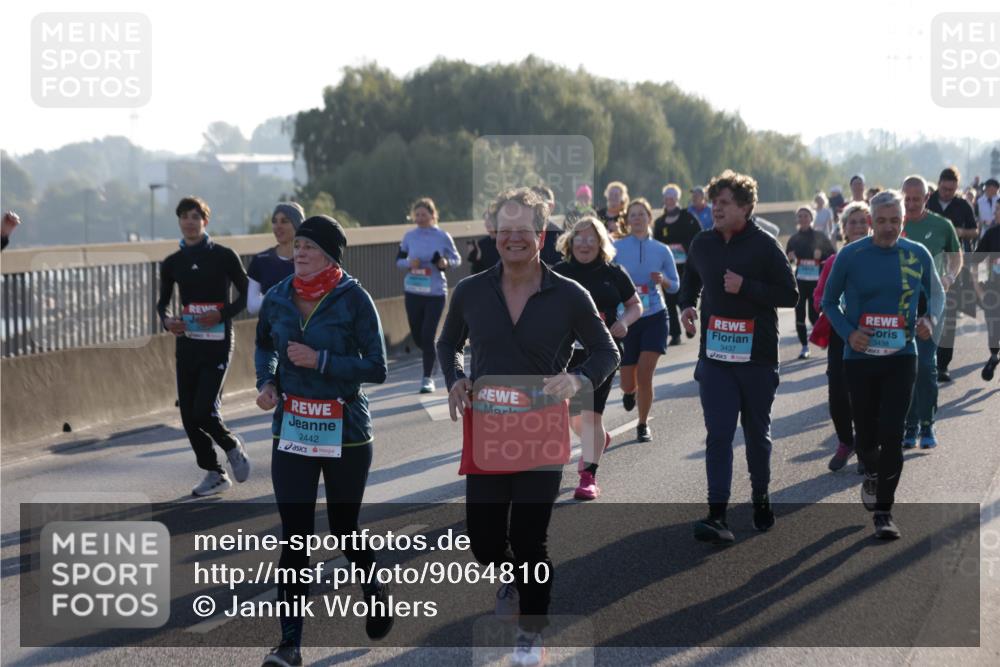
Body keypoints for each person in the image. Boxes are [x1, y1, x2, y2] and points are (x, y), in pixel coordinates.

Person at [437, 188, 619, 666]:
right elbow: (448, 343)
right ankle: (511, 575)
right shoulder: (471, 291)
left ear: (540, 235)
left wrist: (579, 378)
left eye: (524, 231)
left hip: (541, 432)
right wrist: (456, 378)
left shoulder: (569, 294)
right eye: (505, 230)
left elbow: (607, 352)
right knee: (485, 543)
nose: (514, 238)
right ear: (493, 235)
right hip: (488, 433)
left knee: (530, 540)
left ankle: (532, 634)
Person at [255, 215, 392, 665]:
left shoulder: (354, 299)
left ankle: (375, 591)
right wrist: (268, 382)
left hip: (346, 429)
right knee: (295, 537)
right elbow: (265, 346)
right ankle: (290, 644)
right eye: (297, 245)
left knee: (344, 528)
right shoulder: (277, 298)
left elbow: (377, 366)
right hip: (292, 427)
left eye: (310, 246)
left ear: (331, 254)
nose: (300, 253)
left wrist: (322, 359)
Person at [680, 170, 798, 544]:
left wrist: (746, 287)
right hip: (714, 359)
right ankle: (717, 513)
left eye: (725, 203)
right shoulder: (701, 244)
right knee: (718, 435)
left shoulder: (764, 246)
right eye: (714, 202)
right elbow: (689, 284)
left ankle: (761, 496)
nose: (716, 208)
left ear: (745, 208)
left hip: (758, 358)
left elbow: (790, 295)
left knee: (756, 435)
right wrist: (685, 307)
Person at [822, 189, 943, 540]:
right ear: (871, 221)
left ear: (903, 221)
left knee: (892, 433)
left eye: (896, 221)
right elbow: (829, 302)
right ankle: (872, 472)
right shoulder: (851, 255)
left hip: (902, 357)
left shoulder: (916, 254)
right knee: (867, 437)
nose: (889, 228)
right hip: (859, 358)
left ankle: (884, 512)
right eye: (882, 221)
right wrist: (848, 332)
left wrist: (929, 320)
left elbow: (936, 293)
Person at [156, 196, 250, 497]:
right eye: (184, 216)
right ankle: (215, 472)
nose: (189, 221)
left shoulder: (224, 256)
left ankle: (231, 445)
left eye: (195, 216)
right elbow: (162, 305)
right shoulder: (172, 263)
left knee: (204, 412)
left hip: (218, 342)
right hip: (188, 344)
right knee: (188, 416)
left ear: (205, 221)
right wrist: (167, 321)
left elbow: (248, 295)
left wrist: (220, 314)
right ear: (179, 221)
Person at [553, 216, 642, 499]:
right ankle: (599, 439)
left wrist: (625, 322)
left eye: (592, 238)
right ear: (570, 242)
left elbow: (635, 304)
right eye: (579, 238)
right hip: (566, 355)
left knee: (590, 415)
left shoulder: (613, 273)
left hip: (603, 354)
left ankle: (588, 476)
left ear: (601, 243)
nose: (585, 244)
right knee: (575, 418)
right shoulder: (557, 273)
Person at [900, 175, 962, 448]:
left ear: (927, 198)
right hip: (899, 306)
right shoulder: (893, 223)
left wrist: (949, 276)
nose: (911, 204)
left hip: (931, 304)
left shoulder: (941, 225)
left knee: (925, 366)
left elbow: (956, 255)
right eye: (907, 198)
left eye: (916, 199)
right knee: (906, 368)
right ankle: (909, 426)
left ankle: (927, 424)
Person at [813, 202, 872, 472]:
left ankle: (865, 446)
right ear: (844, 228)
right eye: (853, 222)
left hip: (874, 335)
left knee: (867, 394)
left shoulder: (881, 257)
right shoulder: (833, 262)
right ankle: (845, 442)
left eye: (863, 221)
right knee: (837, 393)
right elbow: (819, 297)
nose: (858, 226)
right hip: (841, 334)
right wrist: (832, 310)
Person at [614, 197, 680, 442]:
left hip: (655, 315)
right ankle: (629, 393)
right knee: (627, 382)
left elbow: (675, 286)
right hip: (628, 319)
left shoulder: (662, 250)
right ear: (627, 220)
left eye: (642, 214)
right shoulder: (616, 248)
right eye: (633, 214)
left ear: (649, 218)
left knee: (645, 374)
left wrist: (663, 281)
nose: (638, 218)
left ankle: (642, 425)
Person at [396, 197, 462, 393]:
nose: (420, 218)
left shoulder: (443, 236)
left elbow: (456, 259)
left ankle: (427, 378)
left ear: (433, 215)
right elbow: (398, 261)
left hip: (435, 292)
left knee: (427, 334)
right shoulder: (409, 236)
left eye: (423, 214)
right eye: (416, 215)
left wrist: (444, 263)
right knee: (418, 336)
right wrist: (409, 263)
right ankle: (430, 354)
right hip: (413, 290)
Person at [927, 167, 978, 382]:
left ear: (956, 187)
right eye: (944, 188)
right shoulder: (928, 202)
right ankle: (924, 359)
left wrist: (960, 232)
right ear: (938, 184)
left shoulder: (962, 205)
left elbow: (975, 231)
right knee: (926, 310)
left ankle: (943, 364)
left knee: (948, 315)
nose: (947, 192)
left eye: (951, 189)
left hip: (953, 264)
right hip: (928, 261)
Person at [653, 183, 702, 345]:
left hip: (685, 266)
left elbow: (698, 236)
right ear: (664, 200)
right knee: (670, 300)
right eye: (667, 198)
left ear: (677, 199)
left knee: (684, 297)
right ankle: (675, 334)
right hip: (667, 267)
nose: (669, 201)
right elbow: (656, 243)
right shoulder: (659, 223)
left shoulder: (687, 218)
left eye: (672, 198)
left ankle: (688, 325)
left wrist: (683, 246)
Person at [786, 206, 836, 359]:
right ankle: (804, 347)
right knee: (799, 314)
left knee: (814, 316)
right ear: (797, 220)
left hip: (816, 283)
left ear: (811, 218)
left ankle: (825, 339)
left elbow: (833, 257)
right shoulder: (793, 239)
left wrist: (821, 256)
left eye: (806, 216)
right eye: (800, 216)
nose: (803, 219)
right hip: (800, 282)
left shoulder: (820, 237)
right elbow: (787, 259)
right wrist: (790, 257)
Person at [247, 203, 305, 315]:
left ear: (297, 224)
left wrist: (271, 298)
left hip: (303, 330)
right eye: (274, 221)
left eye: (284, 221)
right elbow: (252, 306)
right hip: (270, 331)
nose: (278, 226)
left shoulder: (310, 259)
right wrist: (285, 296)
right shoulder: (260, 260)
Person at [531, 185, 565, 265]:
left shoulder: (560, 237)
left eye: (541, 204)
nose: (536, 208)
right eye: (532, 204)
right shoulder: (517, 233)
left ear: (551, 207)